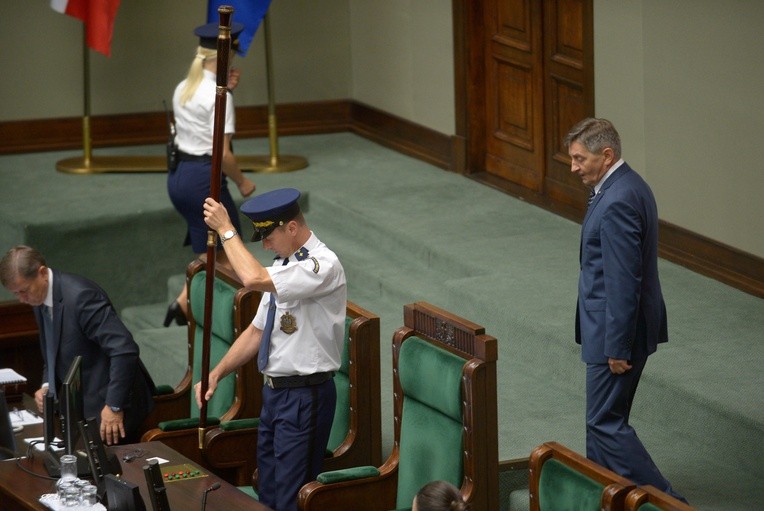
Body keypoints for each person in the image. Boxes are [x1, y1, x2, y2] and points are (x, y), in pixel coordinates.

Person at [195, 188, 347, 511]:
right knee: (268, 491)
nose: (264, 244)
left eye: (267, 235)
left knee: (290, 498)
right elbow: (255, 332)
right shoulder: (284, 264)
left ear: (291, 228)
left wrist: (226, 229)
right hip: (276, 396)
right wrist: (217, 373)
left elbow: (251, 278)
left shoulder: (321, 265)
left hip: (306, 397)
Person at [566, 118, 687, 503]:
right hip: (613, 327)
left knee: (604, 422)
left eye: (579, 158)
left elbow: (623, 281)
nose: (573, 167)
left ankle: (664, 502)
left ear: (607, 155)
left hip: (615, 333)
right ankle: (608, 493)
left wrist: (617, 346)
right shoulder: (627, 185)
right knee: (601, 421)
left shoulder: (618, 199)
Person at [0, 246, 155, 445]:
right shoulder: (39, 298)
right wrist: (48, 385)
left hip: (111, 405)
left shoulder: (82, 297)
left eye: (24, 291)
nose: (22, 299)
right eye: (16, 294)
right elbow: (51, 348)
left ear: (42, 273)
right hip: (79, 406)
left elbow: (124, 350)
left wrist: (114, 406)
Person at [164, 21, 257, 327]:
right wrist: (243, 181)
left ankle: (182, 302)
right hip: (204, 179)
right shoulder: (220, 98)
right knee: (232, 255)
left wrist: (226, 91)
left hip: (179, 179)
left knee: (212, 249)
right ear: (226, 57)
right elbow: (225, 155)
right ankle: (234, 322)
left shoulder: (183, 87)